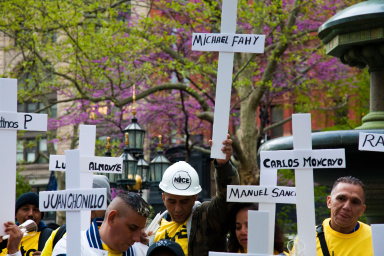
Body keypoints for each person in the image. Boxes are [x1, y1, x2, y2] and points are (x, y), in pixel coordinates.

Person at [148, 135, 240, 256]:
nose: (178, 209)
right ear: (163, 198)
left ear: (194, 198)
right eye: (172, 201)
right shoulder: (154, 228)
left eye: (184, 202)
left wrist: (223, 166)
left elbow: (227, 199)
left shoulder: (206, 218)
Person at [51, 191, 150, 256]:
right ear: (112, 218)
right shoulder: (71, 245)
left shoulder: (142, 252)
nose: (137, 238)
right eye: (132, 228)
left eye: (140, 230)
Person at [41, 175, 113, 256]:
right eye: (85, 198)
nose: (91, 204)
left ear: (107, 205)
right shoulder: (59, 234)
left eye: (97, 199)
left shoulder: (116, 239)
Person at [315, 176, 373, 256]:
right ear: (329, 202)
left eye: (355, 202)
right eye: (341, 198)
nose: (346, 207)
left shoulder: (377, 239)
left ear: (362, 210)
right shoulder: (307, 238)